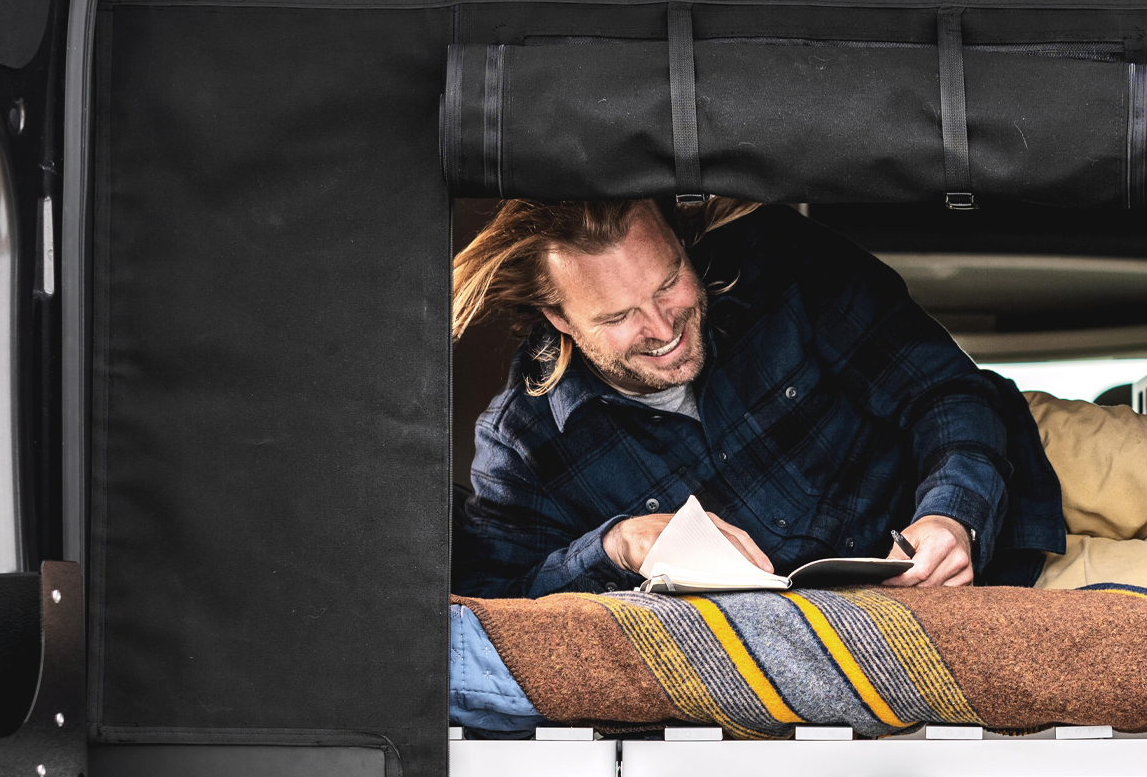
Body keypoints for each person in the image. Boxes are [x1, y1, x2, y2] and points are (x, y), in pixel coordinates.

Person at [452, 198, 1066, 599]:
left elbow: (944, 389)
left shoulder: (778, 260)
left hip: (1015, 448)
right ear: (557, 315)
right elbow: (498, 603)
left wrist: (950, 514)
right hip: (976, 588)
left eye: (670, 284)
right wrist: (617, 544)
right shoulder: (523, 446)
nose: (664, 329)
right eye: (619, 316)